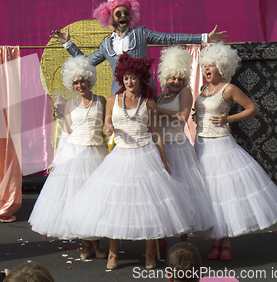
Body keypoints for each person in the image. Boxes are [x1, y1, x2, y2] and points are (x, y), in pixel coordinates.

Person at [63, 53, 195, 270]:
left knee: (150, 206)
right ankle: (113, 253)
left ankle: (150, 254)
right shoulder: (114, 100)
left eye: (133, 78)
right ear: (121, 80)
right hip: (121, 156)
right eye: (125, 78)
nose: (129, 82)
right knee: (116, 204)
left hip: (145, 155)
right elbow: (106, 124)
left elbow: (156, 134)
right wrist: (108, 128)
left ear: (140, 79)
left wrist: (164, 162)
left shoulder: (149, 103)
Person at [193, 43, 277, 261]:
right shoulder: (203, 91)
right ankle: (215, 239)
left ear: (222, 68)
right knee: (209, 194)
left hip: (220, 146)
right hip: (201, 145)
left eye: (212, 66)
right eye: (205, 66)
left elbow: (252, 109)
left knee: (224, 193)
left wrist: (228, 118)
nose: (207, 70)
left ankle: (225, 240)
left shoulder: (228, 89)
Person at [52, 0, 227, 93]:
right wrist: (68, 44)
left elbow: (169, 38)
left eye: (125, 13)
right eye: (118, 14)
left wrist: (204, 38)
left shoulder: (141, 34)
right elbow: (86, 63)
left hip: (144, 89)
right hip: (119, 92)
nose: (123, 16)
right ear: (110, 18)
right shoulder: (106, 45)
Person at [28, 56, 108, 259]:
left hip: (97, 155)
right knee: (77, 199)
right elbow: (66, 133)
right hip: (74, 156)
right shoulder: (69, 105)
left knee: (95, 201)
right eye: (75, 82)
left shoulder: (102, 100)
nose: (80, 85)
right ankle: (85, 244)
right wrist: (57, 159)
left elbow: (108, 128)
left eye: (82, 81)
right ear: (71, 84)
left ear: (90, 80)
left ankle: (97, 243)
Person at [156, 47, 214, 246]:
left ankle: (183, 239)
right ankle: (161, 238)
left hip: (179, 148)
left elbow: (182, 117)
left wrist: (157, 110)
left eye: (180, 78)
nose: (176, 82)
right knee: (163, 195)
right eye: (172, 78)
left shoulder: (185, 93)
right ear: (165, 77)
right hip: (161, 149)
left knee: (184, 193)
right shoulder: (161, 97)